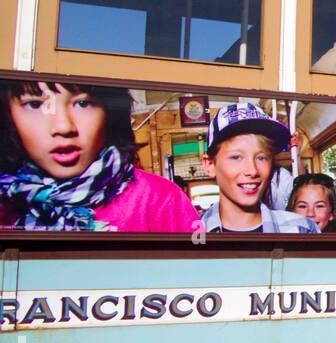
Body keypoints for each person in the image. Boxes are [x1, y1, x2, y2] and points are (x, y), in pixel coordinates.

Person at [0, 79, 197, 231]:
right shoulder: (5, 203)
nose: (63, 126)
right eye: (35, 104)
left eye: (83, 103)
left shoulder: (158, 198)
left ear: (109, 112)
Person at [199, 103, 319, 233]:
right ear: (209, 165)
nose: (252, 171)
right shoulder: (190, 233)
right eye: (236, 157)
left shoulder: (302, 229)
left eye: (261, 158)